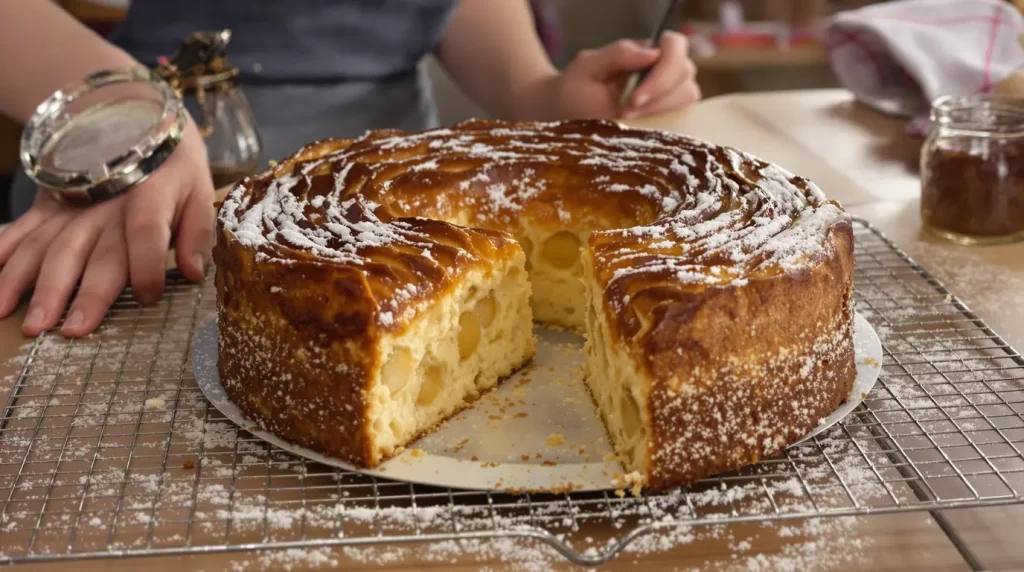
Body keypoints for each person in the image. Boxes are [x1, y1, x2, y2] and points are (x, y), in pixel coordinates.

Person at [0, 1, 701, 339]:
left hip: (404, 223)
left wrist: (548, 97)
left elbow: (479, 39)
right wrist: (131, 116)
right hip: (131, 189)